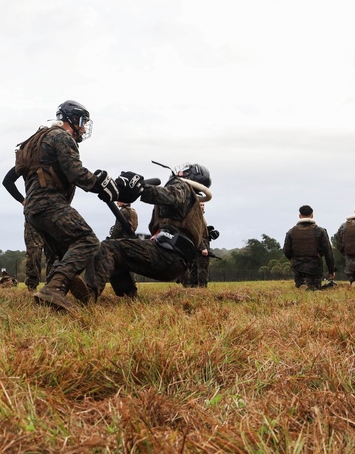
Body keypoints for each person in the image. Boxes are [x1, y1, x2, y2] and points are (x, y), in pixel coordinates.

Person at [15, 100, 119, 311]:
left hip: (33, 210)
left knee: (60, 253)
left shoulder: (38, 139)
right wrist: (99, 185)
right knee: (88, 241)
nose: (83, 128)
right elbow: (75, 172)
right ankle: (53, 288)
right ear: (73, 119)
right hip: (50, 203)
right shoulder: (62, 136)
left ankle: (61, 296)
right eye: (82, 123)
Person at [87, 164, 212, 300]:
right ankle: (128, 297)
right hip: (175, 260)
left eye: (185, 171)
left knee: (108, 248)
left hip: (167, 255)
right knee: (120, 250)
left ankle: (87, 295)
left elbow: (170, 195)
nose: (179, 172)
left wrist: (141, 188)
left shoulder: (183, 188)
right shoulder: (192, 207)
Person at [283, 205, 336, 291]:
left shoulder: (291, 231)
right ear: (312, 215)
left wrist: (294, 260)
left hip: (298, 267)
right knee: (314, 287)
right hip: (314, 267)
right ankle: (312, 286)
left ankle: (301, 284)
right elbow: (328, 253)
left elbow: (286, 251)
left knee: (301, 282)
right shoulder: (320, 231)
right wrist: (331, 270)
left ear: (300, 216)